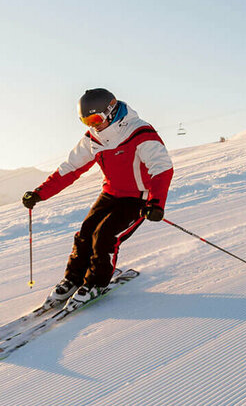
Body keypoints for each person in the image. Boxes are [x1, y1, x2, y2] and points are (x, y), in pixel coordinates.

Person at [22, 89, 173, 309]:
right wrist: (39, 193)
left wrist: (156, 203)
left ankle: (95, 283)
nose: (93, 125)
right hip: (110, 194)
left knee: (104, 237)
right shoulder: (93, 138)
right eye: (86, 121)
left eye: (95, 119)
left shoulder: (139, 132)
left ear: (110, 111)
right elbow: (70, 169)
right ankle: (73, 279)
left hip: (138, 199)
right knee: (85, 233)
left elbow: (162, 168)